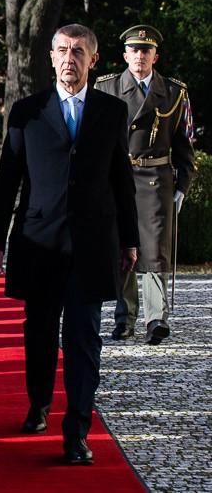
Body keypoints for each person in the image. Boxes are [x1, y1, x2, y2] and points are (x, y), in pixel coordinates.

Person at [0, 23, 139, 465]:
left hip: (93, 244)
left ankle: (77, 431)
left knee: (84, 337)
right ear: (51, 58)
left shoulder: (111, 111)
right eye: (63, 51)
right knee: (39, 331)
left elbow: (121, 180)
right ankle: (39, 403)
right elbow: (7, 179)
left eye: (78, 51)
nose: (70, 58)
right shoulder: (27, 111)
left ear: (94, 59)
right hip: (38, 242)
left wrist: (129, 240)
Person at [95, 25, 196, 345]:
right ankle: (125, 318)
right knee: (122, 247)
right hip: (117, 178)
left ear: (155, 56)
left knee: (154, 251)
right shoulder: (106, 88)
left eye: (146, 50)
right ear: (125, 55)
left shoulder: (174, 92)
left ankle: (156, 319)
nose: (140, 55)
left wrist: (182, 186)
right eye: (134, 50)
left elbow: (184, 145)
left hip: (155, 179)